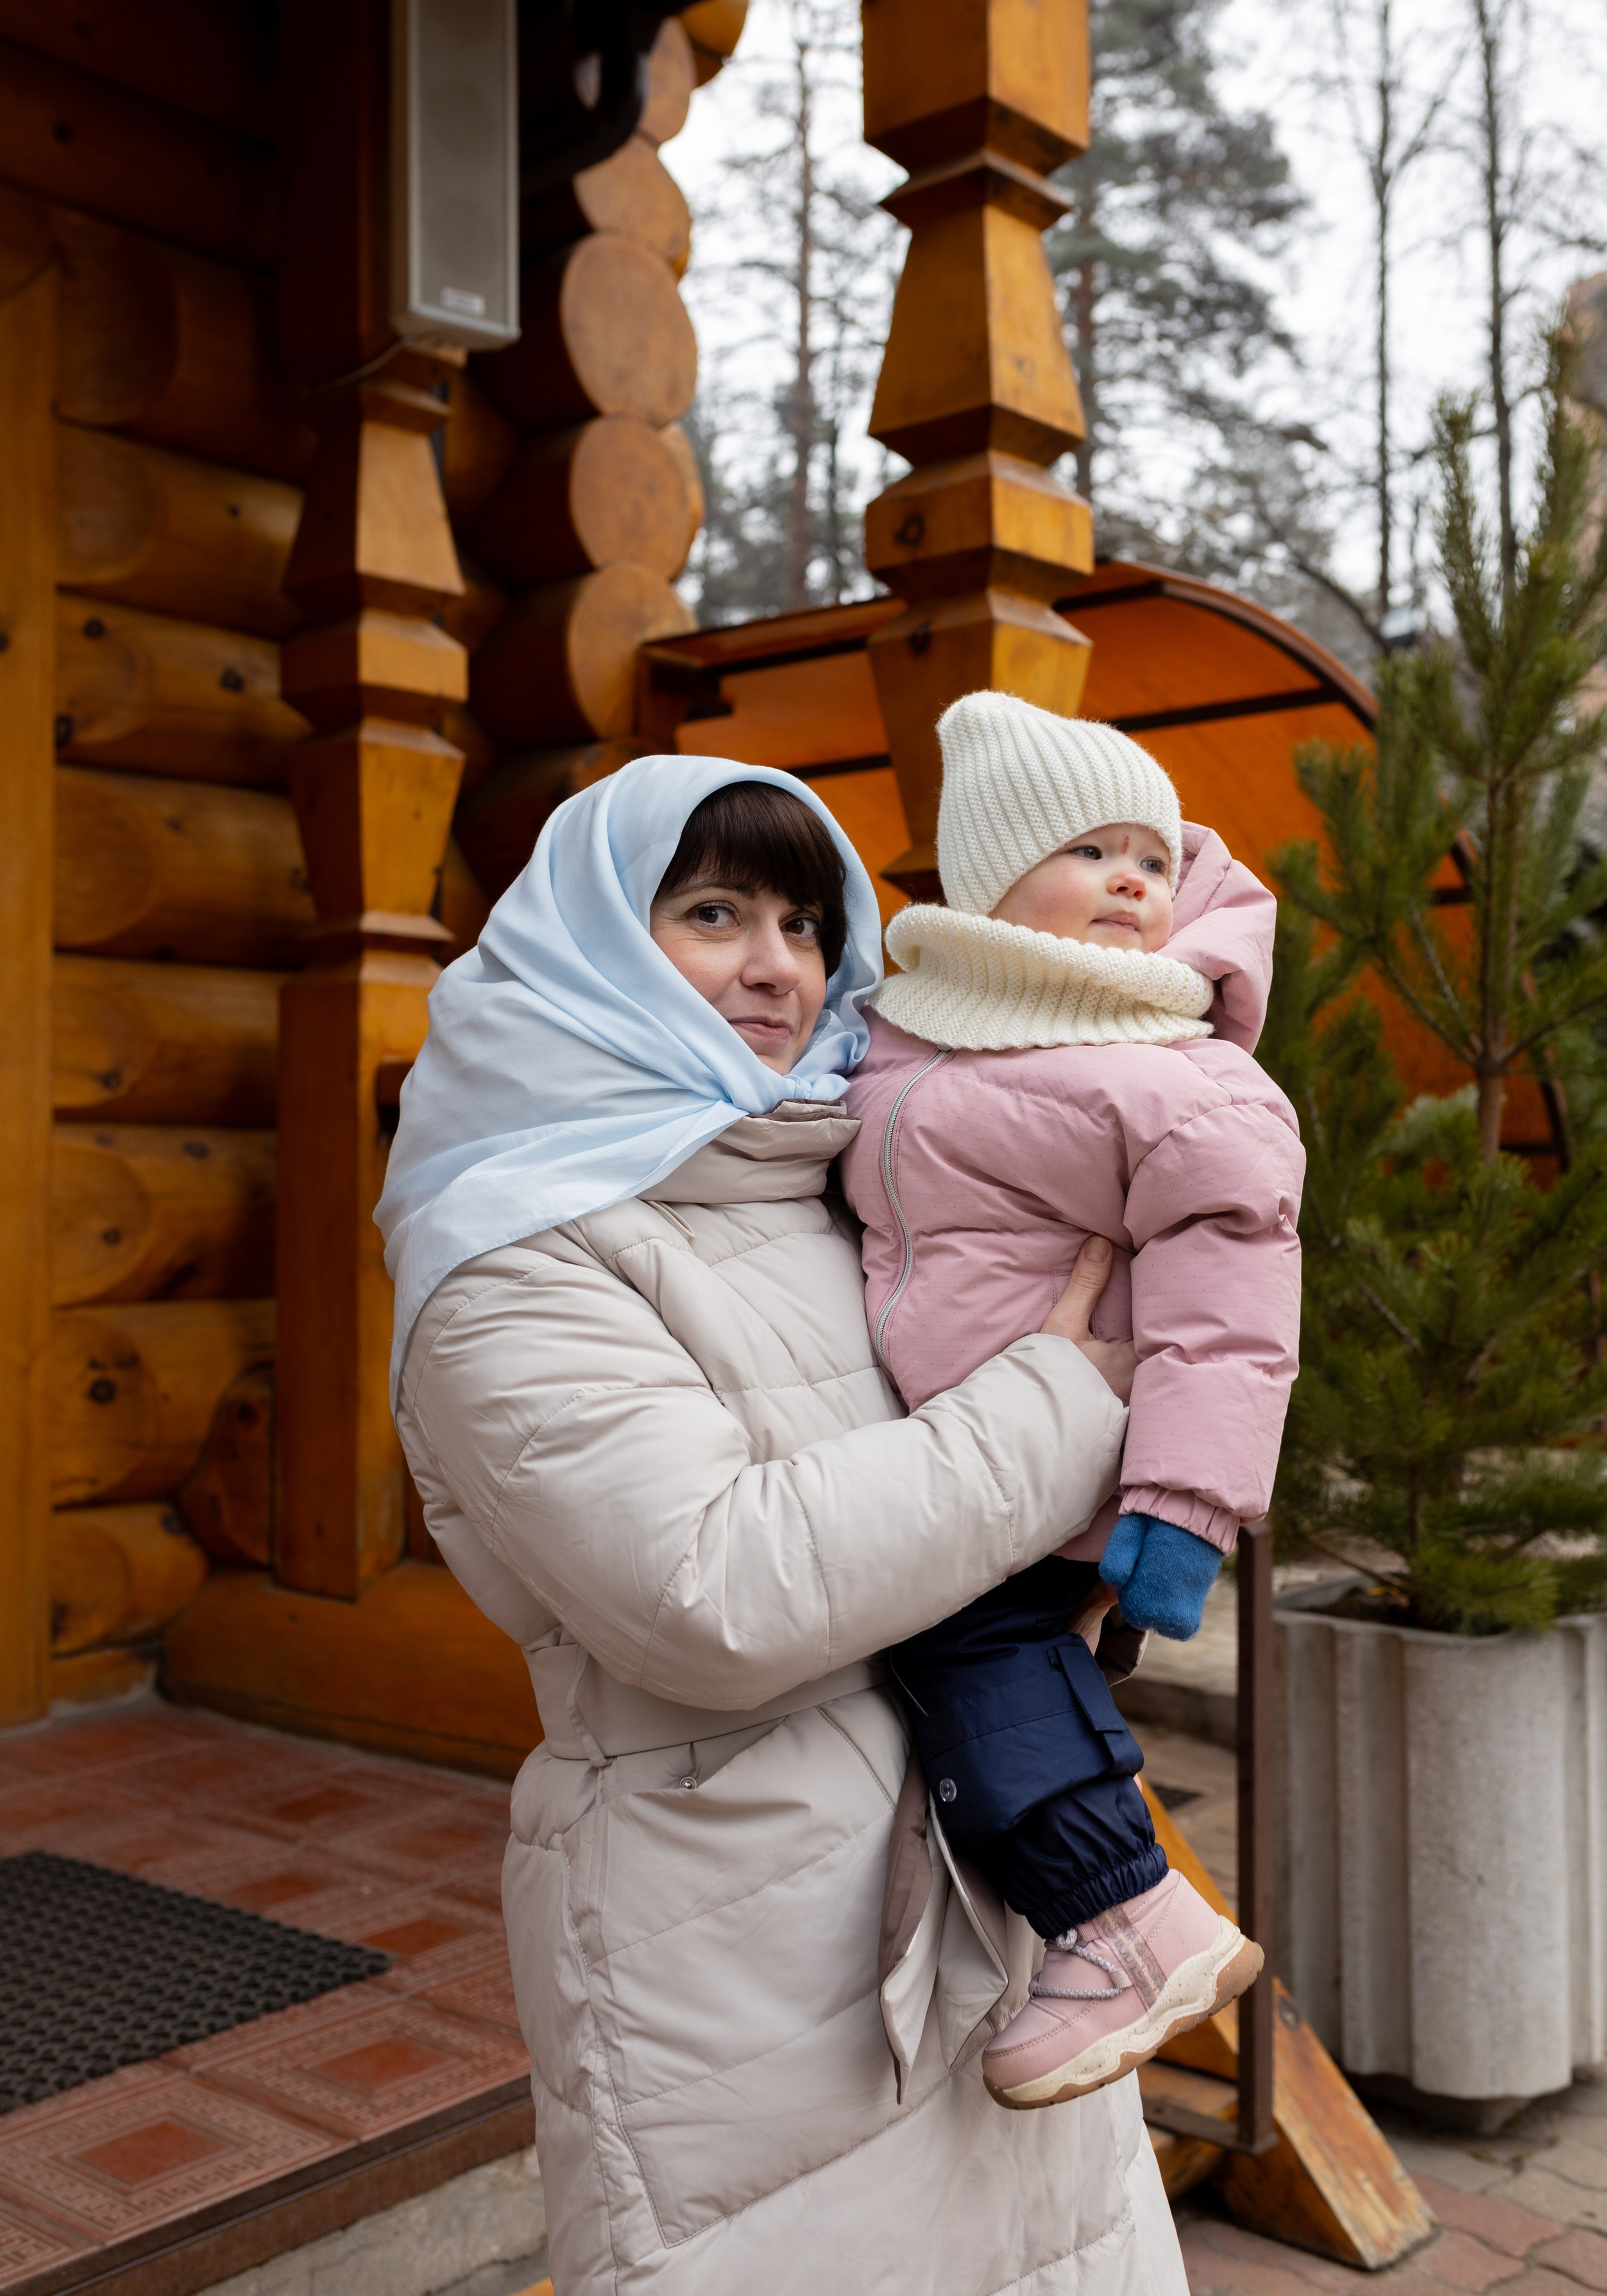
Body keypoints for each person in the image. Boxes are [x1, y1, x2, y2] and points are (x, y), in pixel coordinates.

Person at [375, 755, 1189, 2296]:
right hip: (734, 1946)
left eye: (808, 925)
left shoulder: (852, 1179)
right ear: (593, 940)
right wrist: (1065, 1406)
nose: (776, 966)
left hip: (991, 1880)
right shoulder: (508, 1247)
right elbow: (711, 1591)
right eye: (711, 912)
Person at [842, 692, 1304, 2113]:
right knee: (969, 1659)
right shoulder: (914, 1030)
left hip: (1068, 1456)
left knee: (962, 1644)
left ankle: (1120, 1918)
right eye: (1090, 850)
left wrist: (1179, 1510)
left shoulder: (1164, 1064)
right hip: (954, 1450)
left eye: (1152, 860)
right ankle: (1099, 1924)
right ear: (988, 875)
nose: (1130, 880)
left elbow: (1233, 1306)